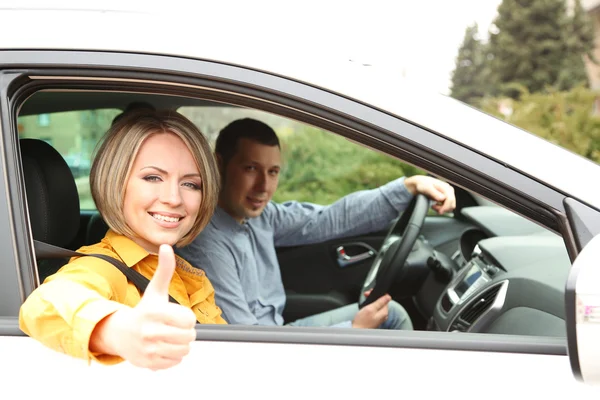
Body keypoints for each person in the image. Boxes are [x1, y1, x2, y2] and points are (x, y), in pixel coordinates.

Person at [177, 118, 456, 329]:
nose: (264, 186)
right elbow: (244, 342)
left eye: (273, 172)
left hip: (273, 333)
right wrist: (354, 330)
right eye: (251, 169)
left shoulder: (262, 216)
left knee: (391, 313)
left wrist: (407, 187)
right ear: (218, 164)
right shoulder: (207, 243)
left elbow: (329, 219)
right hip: (262, 350)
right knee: (388, 320)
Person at [19, 109, 225, 371]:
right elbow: (44, 304)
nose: (174, 198)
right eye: (153, 177)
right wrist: (113, 330)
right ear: (116, 182)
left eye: (191, 184)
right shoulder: (102, 267)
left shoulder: (186, 274)